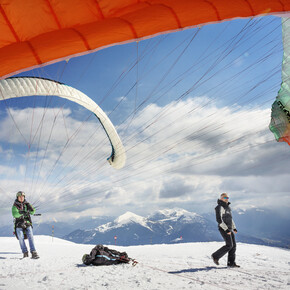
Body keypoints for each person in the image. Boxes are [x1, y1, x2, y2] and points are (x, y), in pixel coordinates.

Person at [211, 193, 240, 267]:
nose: (227, 199)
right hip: (223, 228)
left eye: (228, 198)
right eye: (225, 198)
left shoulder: (228, 207)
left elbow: (230, 219)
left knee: (233, 246)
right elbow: (219, 220)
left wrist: (234, 228)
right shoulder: (219, 207)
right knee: (229, 245)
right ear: (221, 198)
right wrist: (226, 229)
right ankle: (215, 256)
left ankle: (231, 263)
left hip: (229, 229)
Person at [12, 191, 39, 259]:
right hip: (19, 223)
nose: (21, 198)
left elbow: (33, 212)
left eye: (22, 197)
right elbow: (15, 214)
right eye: (20, 197)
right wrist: (22, 213)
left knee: (30, 235)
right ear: (17, 197)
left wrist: (31, 208)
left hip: (27, 222)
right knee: (21, 237)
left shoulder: (27, 204)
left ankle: (33, 252)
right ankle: (25, 252)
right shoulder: (15, 206)